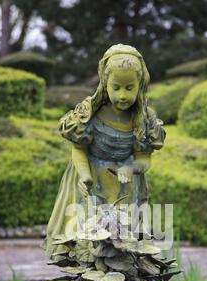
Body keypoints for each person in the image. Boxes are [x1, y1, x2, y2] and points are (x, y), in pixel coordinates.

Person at [42, 44, 166, 258]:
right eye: (116, 87)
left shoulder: (144, 120)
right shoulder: (89, 114)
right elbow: (78, 149)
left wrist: (132, 168)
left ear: (140, 86)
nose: (123, 95)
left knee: (124, 246)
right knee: (87, 242)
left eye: (130, 88)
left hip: (125, 188)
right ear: (105, 84)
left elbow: (144, 158)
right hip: (91, 184)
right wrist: (84, 175)